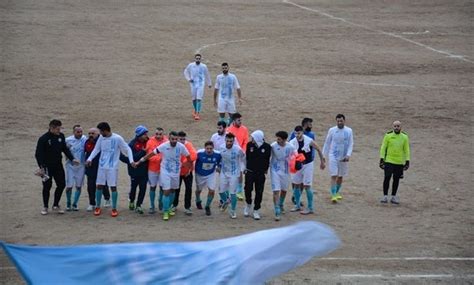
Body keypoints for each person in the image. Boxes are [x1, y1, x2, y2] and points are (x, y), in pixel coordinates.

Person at [134, 131, 193, 221]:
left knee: (173, 190)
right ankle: (165, 211)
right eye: (172, 139)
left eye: (176, 139)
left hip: (176, 172)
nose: (174, 141)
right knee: (166, 191)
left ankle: (168, 207)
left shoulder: (181, 147)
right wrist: (139, 161)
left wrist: (189, 167)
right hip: (165, 171)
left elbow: (188, 156)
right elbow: (151, 154)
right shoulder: (164, 146)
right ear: (169, 138)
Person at [86, 122, 134, 217]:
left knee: (113, 187)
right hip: (102, 166)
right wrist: (89, 159)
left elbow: (127, 149)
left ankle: (114, 208)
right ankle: (98, 206)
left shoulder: (117, 138)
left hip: (112, 167)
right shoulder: (101, 138)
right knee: (99, 186)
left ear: (105, 130)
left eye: (101, 131)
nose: (100, 133)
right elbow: (96, 149)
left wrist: (131, 160)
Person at [35, 119, 78, 215]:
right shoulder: (43, 139)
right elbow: (38, 154)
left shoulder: (61, 136)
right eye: (58, 129)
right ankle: (45, 206)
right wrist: (41, 167)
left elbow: (65, 149)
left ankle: (56, 204)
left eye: (60, 128)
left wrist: (72, 159)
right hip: (46, 167)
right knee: (47, 186)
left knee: (61, 184)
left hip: (58, 165)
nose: (59, 131)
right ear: (51, 128)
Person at [289, 126, 326, 215]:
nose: (297, 135)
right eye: (295, 133)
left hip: (308, 165)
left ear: (302, 132)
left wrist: (322, 161)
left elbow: (318, 149)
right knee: (296, 185)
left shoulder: (309, 140)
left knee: (307, 186)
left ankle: (310, 207)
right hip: (298, 165)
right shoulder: (292, 142)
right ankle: (297, 205)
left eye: (299, 133)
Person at [322, 114, 354, 203]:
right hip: (333, 155)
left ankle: (336, 192)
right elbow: (327, 143)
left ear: (344, 121)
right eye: (338, 121)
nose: (340, 122)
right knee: (334, 175)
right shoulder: (332, 130)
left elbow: (351, 143)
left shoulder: (349, 131)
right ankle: (333, 195)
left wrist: (348, 155)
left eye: (341, 121)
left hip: (343, 157)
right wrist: (323, 155)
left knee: (340, 176)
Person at [379, 120, 410, 204]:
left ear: (401, 127)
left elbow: (406, 149)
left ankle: (393, 196)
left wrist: (407, 161)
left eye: (398, 126)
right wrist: (382, 159)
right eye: (395, 126)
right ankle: (385, 196)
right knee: (387, 177)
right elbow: (383, 147)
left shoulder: (404, 137)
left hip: (399, 162)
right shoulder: (388, 135)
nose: (396, 128)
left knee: (396, 179)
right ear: (393, 127)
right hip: (388, 160)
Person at [120, 126, 149, 214]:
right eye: (144, 134)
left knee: (143, 188)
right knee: (133, 188)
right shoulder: (132, 144)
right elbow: (132, 158)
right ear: (139, 135)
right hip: (134, 171)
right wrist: (143, 152)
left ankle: (139, 205)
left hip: (144, 170)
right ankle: (132, 201)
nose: (146, 135)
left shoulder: (148, 141)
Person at [244, 130, 271, 220]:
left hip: (260, 173)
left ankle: (256, 209)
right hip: (250, 171)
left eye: (254, 138)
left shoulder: (267, 147)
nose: (252, 139)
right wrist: (245, 168)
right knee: (247, 189)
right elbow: (247, 157)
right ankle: (248, 204)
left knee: (259, 191)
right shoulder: (249, 145)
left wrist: (265, 169)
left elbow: (267, 159)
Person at [270, 131, 296, 221]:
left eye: (279, 139)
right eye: (277, 138)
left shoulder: (290, 147)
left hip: (285, 171)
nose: (277, 140)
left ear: (284, 139)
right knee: (276, 191)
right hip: (275, 170)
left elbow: (296, 157)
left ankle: (281, 204)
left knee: (284, 190)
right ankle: (277, 210)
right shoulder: (273, 146)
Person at [219, 133, 246, 219]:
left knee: (233, 193)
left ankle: (233, 210)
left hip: (234, 173)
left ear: (234, 141)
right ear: (225, 140)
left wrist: (243, 167)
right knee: (221, 191)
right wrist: (218, 167)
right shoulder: (221, 148)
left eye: (231, 141)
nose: (229, 143)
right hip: (224, 172)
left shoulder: (237, 149)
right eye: (228, 141)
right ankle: (226, 201)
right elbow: (219, 158)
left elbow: (243, 158)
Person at [289, 117, 315, 207]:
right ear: (305, 124)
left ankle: (297, 197)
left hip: (307, 161)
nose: (311, 126)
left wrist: (313, 156)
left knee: (304, 182)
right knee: (296, 181)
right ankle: (295, 195)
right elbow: (290, 145)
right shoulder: (294, 134)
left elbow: (313, 147)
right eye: (310, 124)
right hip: (296, 161)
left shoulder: (311, 135)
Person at [84, 128, 110, 211]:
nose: (91, 135)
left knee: (102, 185)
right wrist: (87, 161)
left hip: (101, 167)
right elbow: (86, 153)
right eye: (89, 133)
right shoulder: (87, 142)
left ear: (98, 134)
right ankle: (92, 203)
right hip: (90, 168)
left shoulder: (102, 141)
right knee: (90, 186)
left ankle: (107, 198)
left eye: (93, 133)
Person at [194, 141, 222, 216]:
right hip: (200, 174)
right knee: (198, 190)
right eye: (207, 148)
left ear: (213, 148)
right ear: (204, 148)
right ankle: (197, 199)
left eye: (211, 148)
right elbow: (193, 160)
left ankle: (207, 206)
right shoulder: (199, 153)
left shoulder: (218, 154)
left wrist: (219, 167)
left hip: (211, 174)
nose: (209, 150)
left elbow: (220, 162)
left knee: (212, 190)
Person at [174, 131, 197, 215]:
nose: (183, 141)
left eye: (184, 139)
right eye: (181, 139)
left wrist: (185, 164)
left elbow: (194, 155)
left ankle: (187, 207)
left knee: (188, 189)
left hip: (187, 171)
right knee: (176, 189)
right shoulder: (174, 146)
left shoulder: (188, 145)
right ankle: (174, 205)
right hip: (177, 172)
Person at [145, 127, 168, 214]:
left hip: (163, 169)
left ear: (163, 134)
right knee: (152, 187)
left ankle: (161, 201)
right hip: (153, 169)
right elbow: (149, 155)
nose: (158, 136)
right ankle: (151, 205)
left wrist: (160, 158)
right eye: (156, 134)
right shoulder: (150, 141)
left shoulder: (166, 141)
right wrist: (160, 159)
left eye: (160, 134)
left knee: (162, 187)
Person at [64, 125, 87, 211]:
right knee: (69, 186)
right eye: (78, 132)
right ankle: (68, 203)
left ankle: (75, 203)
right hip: (70, 166)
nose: (80, 133)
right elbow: (64, 150)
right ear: (73, 132)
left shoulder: (85, 139)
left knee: (78, 186)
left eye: (81, 131)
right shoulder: (67, 140)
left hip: (81, 166)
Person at [184, 53, 212, 120]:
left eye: (199, 58)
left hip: (200, 84)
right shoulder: (191, 65)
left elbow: (207, 74)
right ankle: (195, 110)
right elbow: (185, 71)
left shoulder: (204, 66)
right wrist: (188, 79)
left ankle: (197, 113)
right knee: (194, 99)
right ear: (195, 59)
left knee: (199, 98)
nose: (198, 59)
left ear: (201, 59)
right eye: (197, 58)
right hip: (193, 84)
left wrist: (209, 83)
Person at [227, 113, 249, 201]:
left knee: (240, 172)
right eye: (238, 120)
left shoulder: (244, 129)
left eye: (241, 120)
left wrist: (242, 151)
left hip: (241, 154)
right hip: (231, 154)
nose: (240, 122)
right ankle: (230, 191)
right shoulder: (229, 130)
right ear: (234, 120)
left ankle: (239, 191)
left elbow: (246, 141)